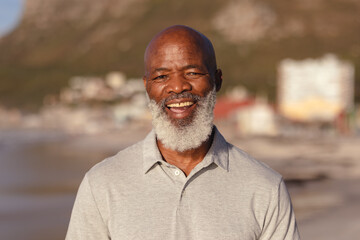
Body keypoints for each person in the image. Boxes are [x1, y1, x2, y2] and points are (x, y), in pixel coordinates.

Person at [66, 25, 300, 240]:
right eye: (161, 77)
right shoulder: (102, 184)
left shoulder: (265, 188)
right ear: (147, 87)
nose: (177, 87)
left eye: (192, 73)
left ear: (217, 81)